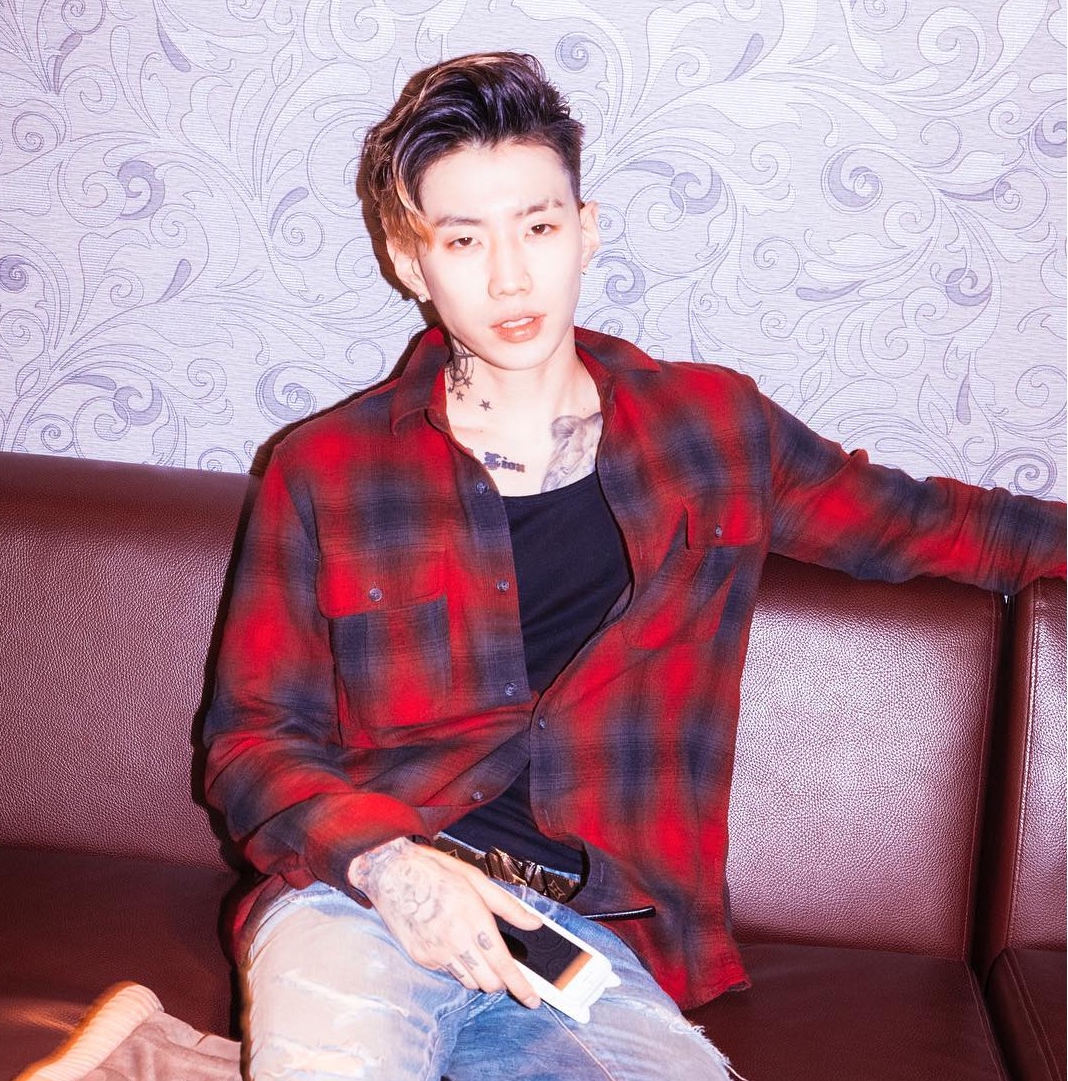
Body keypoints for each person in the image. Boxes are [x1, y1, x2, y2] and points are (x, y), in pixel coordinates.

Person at [203, 52, 1067, 1081]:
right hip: (365, 894)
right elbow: (250, 741)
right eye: (463, 240)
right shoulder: (326, 468)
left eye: (538, 228)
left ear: (587, 229)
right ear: (408, 260)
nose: (510, 277)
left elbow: (939, 526)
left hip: (587, 936)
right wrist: (390, 866)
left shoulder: (712, 431)